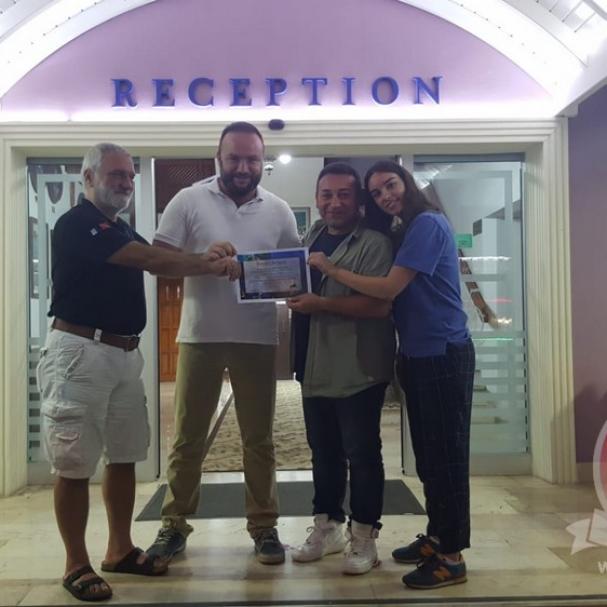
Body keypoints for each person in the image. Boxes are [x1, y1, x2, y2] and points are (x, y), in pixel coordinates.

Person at [37, 142, 239, 602]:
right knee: (73, 463)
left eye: (130, 175)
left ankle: (120, 549)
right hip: (79, 353)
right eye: (116, 175)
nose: (126, 183)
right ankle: (76, 563)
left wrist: (205, 255)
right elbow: (152, 261)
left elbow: (161, 260)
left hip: (124, 354)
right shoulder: (78, 224)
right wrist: (208, 264)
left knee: (125, 455)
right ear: (89, 178)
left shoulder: (120, 227)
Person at [309, 159, 475, 590]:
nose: (386, 195)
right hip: (417, 353)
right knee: (429, 457)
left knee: (447, 459)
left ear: (407, 183)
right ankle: (437, 537)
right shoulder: (406, 227)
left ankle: (452, 557)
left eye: (391, 185)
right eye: (378, 191)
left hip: (442, 352)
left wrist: (329, 269)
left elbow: (387, 290)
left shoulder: (427, 223)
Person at [146, 122, 300, 565]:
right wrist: (203, 262)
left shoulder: (279, 210)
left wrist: (261, 273)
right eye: (234, 158)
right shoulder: (188, 199)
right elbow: (157, 260)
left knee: (259, 439)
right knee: (188, 438)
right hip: (201, 336)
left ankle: (264, 527)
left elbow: (291, 273)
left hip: (257, 337)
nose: (243, 167)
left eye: (252, 159)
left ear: (262, 161)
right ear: (219, 157)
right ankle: (173, 525)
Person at [287, 163, 395, 575]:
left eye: (344, 194)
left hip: (357, 368)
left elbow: (379, 305)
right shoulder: (313, 235)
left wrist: (322, 304)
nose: (334, 203)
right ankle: (327, 526)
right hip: (313, 363)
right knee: (323, 452)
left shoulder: (375, 244)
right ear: (317, 199)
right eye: (327, 194)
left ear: (359, 200)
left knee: (362, 454)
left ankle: (364, 536)